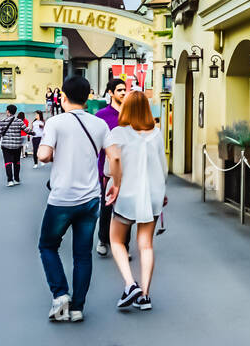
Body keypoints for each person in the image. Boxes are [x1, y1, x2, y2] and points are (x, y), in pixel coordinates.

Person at [36, 75, 110, 323]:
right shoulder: (100, 125)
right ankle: (77, 308)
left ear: (63, 97)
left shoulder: (55, 122)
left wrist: (50, 152)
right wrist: (116, 183)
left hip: (62, 199)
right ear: (88, 96)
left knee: (47, 245)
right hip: (90, 199)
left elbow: (44, 155)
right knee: (82, 254)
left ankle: (60, 295)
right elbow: (114, 155)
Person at [102, 91, 168, 311]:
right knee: (146, 244)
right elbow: (163, 167)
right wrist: (162, 191)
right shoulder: (156, 134)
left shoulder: (118, 133)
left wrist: (115, 184)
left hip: (127, 194)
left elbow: (112, 164)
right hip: (153, 195)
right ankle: (145, 296)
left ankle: (131, 284)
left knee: (117, 240)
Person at [95, 78, 128, 256]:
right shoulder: (101, 116)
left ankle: (124, 245)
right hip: (107, 169)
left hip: (128, 169)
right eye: (120, 90)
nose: (123, 92)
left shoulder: (130, 115)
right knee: (107, 206)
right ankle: (103, 239)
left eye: (125, 90)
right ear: (111, 93)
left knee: (127, 208)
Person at [0, 104, 26, 186]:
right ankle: (17, 179)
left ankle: (10, 180)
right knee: (17, 162)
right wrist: (33, 132)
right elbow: (26, 129)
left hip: (6, 145)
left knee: (8, 162)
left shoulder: (3, 121)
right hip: (17, 145)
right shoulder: (19, 121)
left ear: (8, 111)